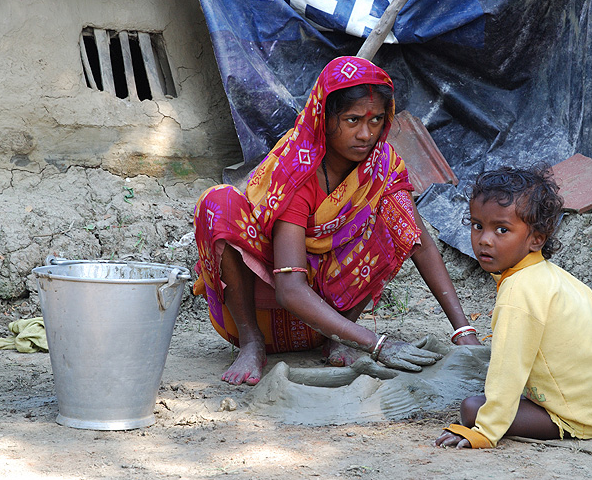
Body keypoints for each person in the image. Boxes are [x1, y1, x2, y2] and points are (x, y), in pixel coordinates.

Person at [193, 56, 480, 386]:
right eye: (352, 119)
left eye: (375, 121)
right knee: (219, 203)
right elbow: (289, 289)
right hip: (269, 313)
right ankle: (251, 343)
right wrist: (377, 343)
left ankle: (340, 340)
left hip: (333, 324)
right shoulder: (297, 169)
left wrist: (464, 330)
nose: (365, 134)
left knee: (395, 213)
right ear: (324, 117)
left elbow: (421, 243)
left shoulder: (381, 167)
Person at [435, 166, 592, 449]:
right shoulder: (555, 277)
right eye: (478, 225)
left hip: (578, 415)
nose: (484, 239)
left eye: (502, 229)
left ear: (537, 238)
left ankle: (584, 416)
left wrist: (484, 431)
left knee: (471, 408)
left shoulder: (520, 291)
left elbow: (508, 367)